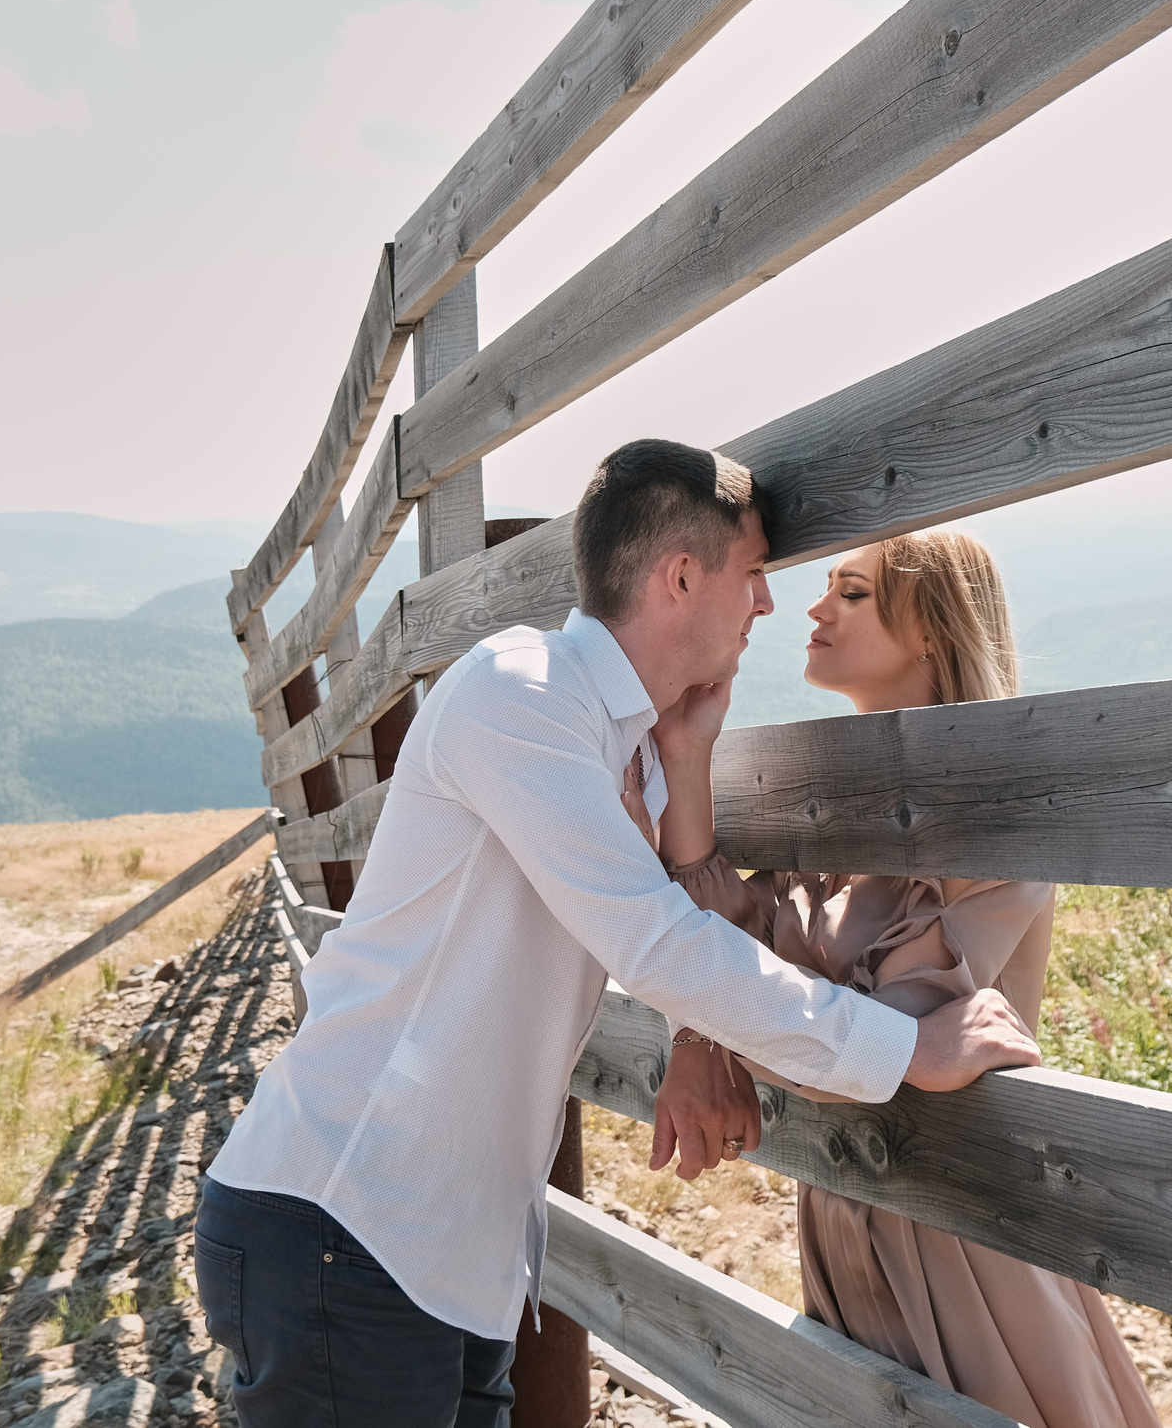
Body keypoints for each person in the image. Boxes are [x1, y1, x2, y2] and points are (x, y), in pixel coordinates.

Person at [199, 442, 1042, 1427]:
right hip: (344, 1223)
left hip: (448, 1256)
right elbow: (655, 939)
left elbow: (663, 920)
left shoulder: (625, 745)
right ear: (679, 577)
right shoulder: (518, 696)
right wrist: (907, 1046)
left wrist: (694, 1030)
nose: (768, 604)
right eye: (753, 574)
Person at [644, 527, 1162, 1428]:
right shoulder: (825, 806)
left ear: (931, 628)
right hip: (840, 1212)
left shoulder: (992, 826)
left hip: (960, 1243)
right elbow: (723, 948)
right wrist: (686, 754)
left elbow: (858, 1051)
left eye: (851, 591)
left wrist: (734, 1014)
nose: (813, 606)